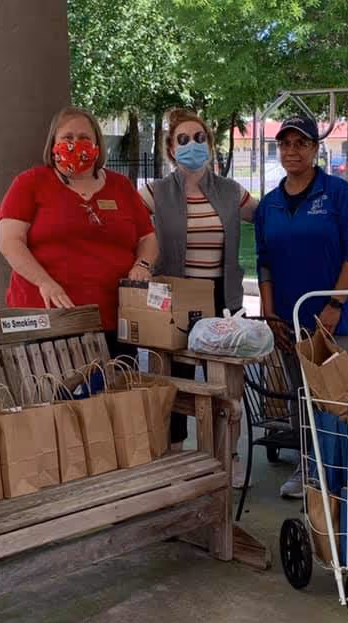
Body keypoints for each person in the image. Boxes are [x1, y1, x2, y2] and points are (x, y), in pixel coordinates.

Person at [255, 115, 348, 498]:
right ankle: (308, 466)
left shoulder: (338, 195)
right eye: (285, 144)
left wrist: (336, 304)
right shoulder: (269, 205)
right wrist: (270, 313)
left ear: (315, 148)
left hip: (332, 320)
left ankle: (342, 472)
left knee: (335, 396)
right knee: (300, 397)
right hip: (288, 319)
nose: (292, 151)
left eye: (301, 143)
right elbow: (264, 261)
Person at [0, 105, 157, 358]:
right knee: (56, 394)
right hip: (48, 317)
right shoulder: (30, 183)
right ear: (53, 143)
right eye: (67, 138)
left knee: (116, 395)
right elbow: (9, 242)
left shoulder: (121, 186)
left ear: (97, 145)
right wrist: (45, 283)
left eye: (84, 138)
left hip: (114, 318)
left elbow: (147, 236)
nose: (75, 144)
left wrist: (143, 264)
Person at [139, 109, 257, 450]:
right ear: (171, 150)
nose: (193, 145)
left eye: (200, 138)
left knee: (225, 383)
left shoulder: (230, 191)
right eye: (184, 140)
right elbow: (127, 224)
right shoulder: (155, 192)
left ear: (210, 144)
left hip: (223, 299)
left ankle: (227, 453)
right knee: (176, 381)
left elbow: (268, 216)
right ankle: (175, 451)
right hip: (177, 297)